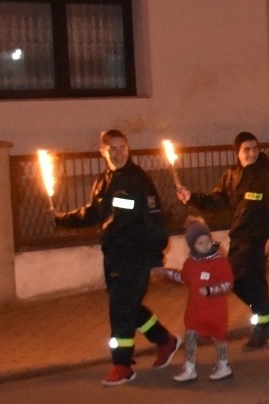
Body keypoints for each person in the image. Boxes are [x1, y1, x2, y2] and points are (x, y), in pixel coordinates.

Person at [54, 129, 180, 386]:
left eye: (123, 147)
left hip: (137, 254)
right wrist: (62, 219)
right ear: (103, 152)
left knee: (120, 309)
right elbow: (95, 212)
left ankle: (122, 365)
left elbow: (152, 217)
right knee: (130, 308)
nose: (119, 152)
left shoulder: (138, 180)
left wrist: (156, 255)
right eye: (113, 148)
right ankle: (165, 340)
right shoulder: (104, 181)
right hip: (114, 255)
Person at [178, 132, 269, 350]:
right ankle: (268, 313)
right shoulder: (232, 175)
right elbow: (217, 199)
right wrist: (192, 197)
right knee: (235, 281)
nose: (252, 152)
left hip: (258, 239)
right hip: (238, 237)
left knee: (254, 284)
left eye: (255, 148)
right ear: (238, 152)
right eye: (246, 149)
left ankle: (263, 326)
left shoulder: (267, 175)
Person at [158, 217, 234, 382]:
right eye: (200, 243)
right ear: (192, 246)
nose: (205, 245)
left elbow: (228, 284)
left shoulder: (219, 261)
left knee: (218, 337)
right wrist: (166, 272)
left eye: (207, 241)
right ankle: (189, 367)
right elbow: (183, 277)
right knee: (191, 336)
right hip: (195, 310)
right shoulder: (191, 263)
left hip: (215, 310)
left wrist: (210, 290)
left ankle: (224, 364)